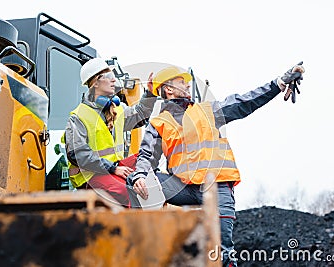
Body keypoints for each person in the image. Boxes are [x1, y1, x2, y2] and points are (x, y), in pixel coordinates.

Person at [128, 62, 305, 266]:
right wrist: (140, 176)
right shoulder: (159, 122)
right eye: (182, 82)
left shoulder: (207, 111)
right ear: (168, 89)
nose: (187, 86)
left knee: (222, 248)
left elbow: (245, 101)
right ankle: (151, 246)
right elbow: (146, 155)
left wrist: (278, 84)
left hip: (217, 185)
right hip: (182, 187)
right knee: (134, 180)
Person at [64, 58, 157, 207]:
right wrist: (113, 168)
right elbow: (78, 154)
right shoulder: (78, 117)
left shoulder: (118, 110)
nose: (114, 80)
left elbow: (140, 115)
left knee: (146, 159)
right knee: (125, 192)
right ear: (95, 82)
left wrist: (151, 94)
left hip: (113, 169)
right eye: (109, 76)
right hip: (91, 176)